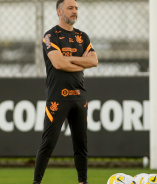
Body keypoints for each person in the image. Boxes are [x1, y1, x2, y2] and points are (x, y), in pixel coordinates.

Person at [33, 0, 98, 183]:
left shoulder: (82, 37)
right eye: (70, 8)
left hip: (79, 97)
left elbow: (94, 61)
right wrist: (80, 61)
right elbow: (58, 63)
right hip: (57, 98)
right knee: (48, 144)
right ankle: (36, 182)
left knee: (81, 145)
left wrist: (69, 60)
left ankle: (83, 181)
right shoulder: (50, 35)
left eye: (76, 8)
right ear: (59, 12)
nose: (75, 11)